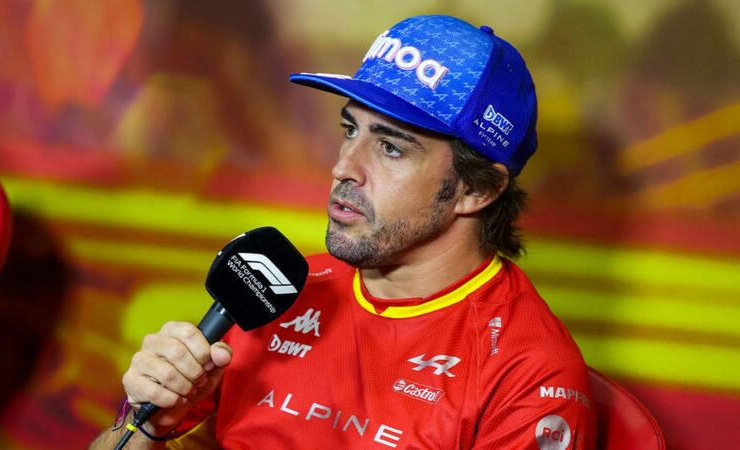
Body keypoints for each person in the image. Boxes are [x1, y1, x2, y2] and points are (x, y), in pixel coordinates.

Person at [91, 15, 595, 449]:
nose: (343, 168)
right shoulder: (276, 288)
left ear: (476, 190)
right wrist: (153, 424)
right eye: (350, 130)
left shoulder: (530, 373)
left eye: (391, 147)